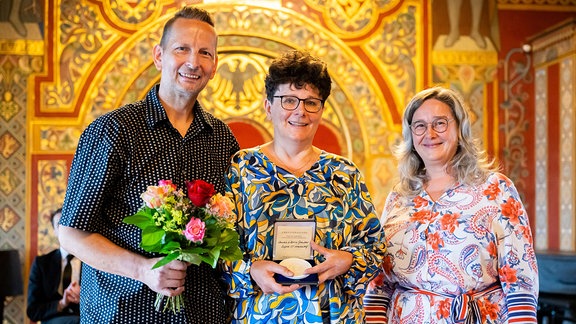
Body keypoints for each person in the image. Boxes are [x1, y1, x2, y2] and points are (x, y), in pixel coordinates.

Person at [58, 6, 239, 323]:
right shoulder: (114, 130)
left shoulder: (222, 138)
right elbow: (72, 234)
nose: (193, 62)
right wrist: (144, 269)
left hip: (203, 312)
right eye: (181, 49)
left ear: (215, 66)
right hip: (124, 311)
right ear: (159, 56)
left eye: (205, 53)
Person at [221, 49, 386, 323]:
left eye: (311, 102)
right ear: (268, 106)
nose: (300, 111)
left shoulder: (344, 173)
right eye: (289, 100)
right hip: (261, 314)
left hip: (331, 313)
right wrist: (249, 270)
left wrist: (348, 259)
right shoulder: (242, 168)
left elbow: (373, 243)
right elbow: (218, 244)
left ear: (321, 110)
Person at [363, 86, 539, 323]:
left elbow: (520, 276)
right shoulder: (400, 197)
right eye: (420, 126)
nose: (430, 133)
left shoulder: (495, 188)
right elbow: (380, 280)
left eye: (440, 123)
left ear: (459, 129)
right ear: (411, 136)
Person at [27, 208, 81, 324]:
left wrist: (85, 297)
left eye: (69, 223)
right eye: (60, 225)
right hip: (54, 318)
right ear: (54, 231)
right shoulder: (41, 264)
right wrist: (62, 303)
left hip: (86, 316)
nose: (66, 229)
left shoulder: (91, 261)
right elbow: (33, 311)